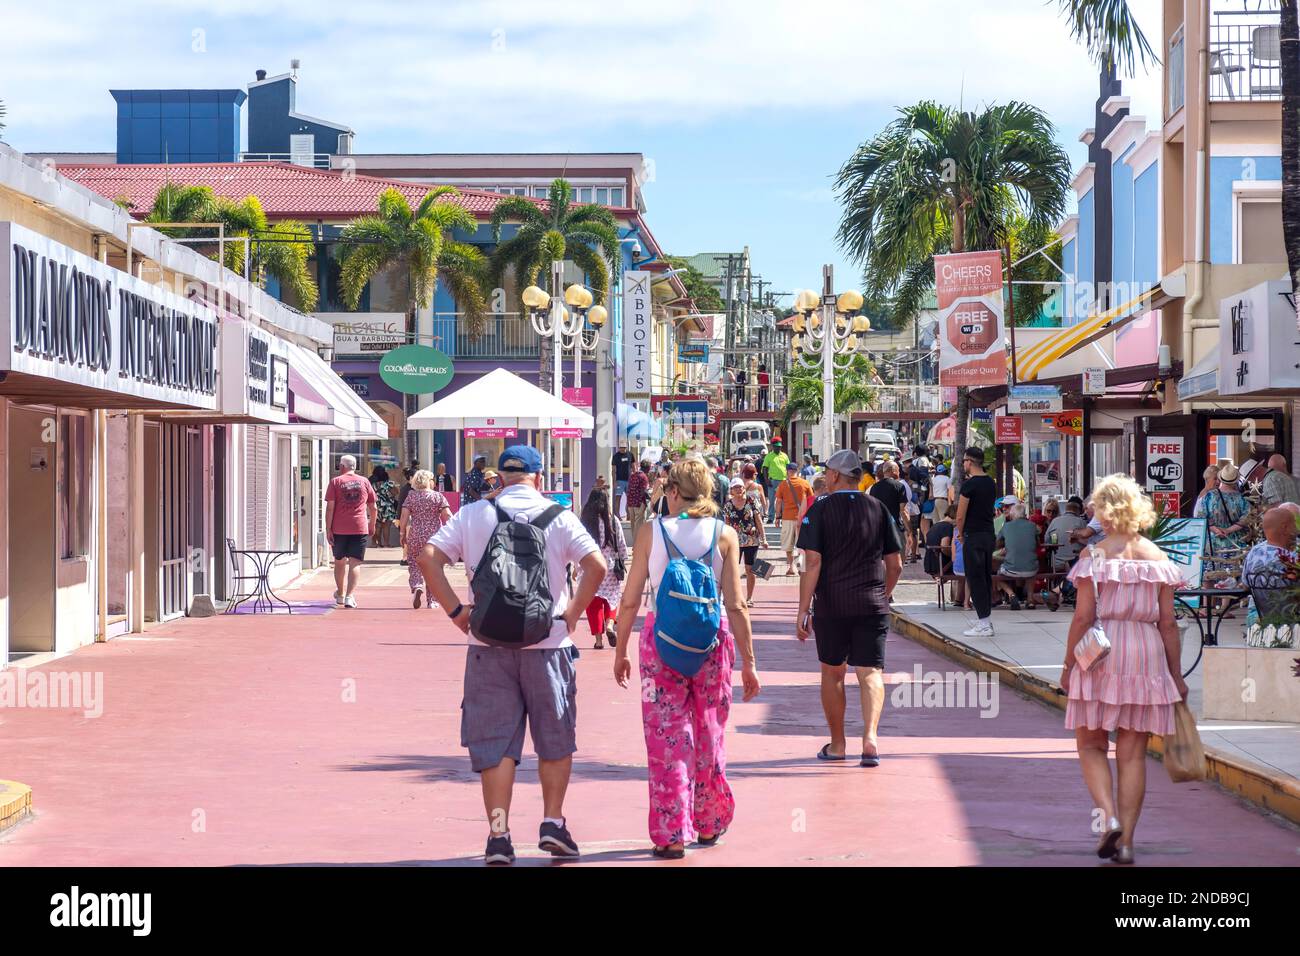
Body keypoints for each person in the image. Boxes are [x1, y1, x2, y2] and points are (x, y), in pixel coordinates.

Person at [419, 445, 607, 865]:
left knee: (496, 744)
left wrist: (456, 612)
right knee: (555, 739)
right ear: (539, 478)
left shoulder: (472, 514)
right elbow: (596, 565)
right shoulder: (559, 516)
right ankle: (553, 824)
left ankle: (499, 835)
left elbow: (428, 557)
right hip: (549, 645)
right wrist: (572, 614)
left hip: (487, 645)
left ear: (499, 476)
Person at [613, 458, 760, 858]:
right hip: (711, 645)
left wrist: (620, 649)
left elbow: (629, 600)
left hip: (660, 645)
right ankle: (709, 823)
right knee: (710, 731)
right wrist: (748, 660)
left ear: (674, 491)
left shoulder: (651, 532)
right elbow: (737, 604)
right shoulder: (724, 535)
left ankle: (671, 832)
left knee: (666, 737)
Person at [1060, 474, 1187, 865]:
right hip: (1146, 652)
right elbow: (1168, 623)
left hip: (1100, 650)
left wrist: (1068, 666)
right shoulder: (1157, 557)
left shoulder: (1093, 557)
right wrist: (1176, 674)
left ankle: (1108, 817)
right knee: (1132, 753)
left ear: (1102, 509)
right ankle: (1128, 842)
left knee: (1092, 744)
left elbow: (1083, 618)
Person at [796, 449, 903, 767]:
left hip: (832, 604)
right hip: (872, 604)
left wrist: (803, 609)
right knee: (870, 673)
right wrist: (882, 595)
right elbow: (895, 565)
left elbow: (812, 562)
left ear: (833, 476)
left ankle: (839, 743)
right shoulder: (878, 508)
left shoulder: (820, 509)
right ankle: (870, 738)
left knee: (833, 673)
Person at [954, 446, 997, 637]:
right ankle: (984, 617)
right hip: (988, 534)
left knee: (974, 577)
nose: (963, 464)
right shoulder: (990, 483)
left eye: (964, 461)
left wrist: (960, 534)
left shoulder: (969, 486)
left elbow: (960, 516)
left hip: (973, 536)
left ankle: (984, 624)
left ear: (969, 462)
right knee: (985, 577)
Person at [325, 455, 377, 609]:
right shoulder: (365, 482)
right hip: (359, 527)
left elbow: (330, 508)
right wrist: (372, 524)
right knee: (355, 562)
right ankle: (349, 596)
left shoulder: (336, 482)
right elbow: (373, 507)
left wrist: (328, 529)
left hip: (339, 528)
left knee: (339, 562)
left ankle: (340, 594)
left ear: (341, 466)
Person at [580, 488, 627, 650]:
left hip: (590, 568)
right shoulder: (612, 521)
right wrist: (623, 560)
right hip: (610, 568)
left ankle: (598, 640)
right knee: (611, 599)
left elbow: (577, 546)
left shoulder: (585, 522)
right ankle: (609, 626)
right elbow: (621, 545)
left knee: (593, 604)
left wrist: (574, 565)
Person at [399, 469, 452, 609]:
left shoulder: (411, 496)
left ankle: (417, 585)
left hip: (416, 534)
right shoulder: (437, 496)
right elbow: (447, 515)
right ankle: (432, 601)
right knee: (433, 566)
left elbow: (404, 516)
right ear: (429, 481)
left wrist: (402, 533)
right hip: (434, 537)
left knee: (414, 562)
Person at [1242, 506, 1299, 625]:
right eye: (1294, 524)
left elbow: (1245, 586)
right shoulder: (1292, 559)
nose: (1297, 529)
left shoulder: (1253, 553)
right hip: (1293, 621)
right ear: (1285, 528)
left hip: (1261, 622)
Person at [723, 477, 765, 606]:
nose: (739, 489)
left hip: (752, 539)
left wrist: (764, 538)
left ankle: (749, 598)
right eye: (735, 487)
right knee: (732, 569)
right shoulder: (728, 505)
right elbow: (727, 523)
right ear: (731, 490)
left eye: (740, 487)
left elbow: (758, 520)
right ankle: (733, 596)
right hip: (735, 541)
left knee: (750, 568)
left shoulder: (751, 501)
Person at [1193, 462, 1249, 555]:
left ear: (1221, 479)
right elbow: (1246, 519)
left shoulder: (1208, 497)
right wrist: (1228, 530)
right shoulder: (1241, 499)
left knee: (1213, 568)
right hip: (1235, 544)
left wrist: (1216, 530)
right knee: (1234, 569)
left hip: (1212, 544)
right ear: (1235, 480)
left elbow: (1201, 518)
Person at [996, 504, 1042, 609]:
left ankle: (1011, 594)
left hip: (1010, 569)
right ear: (1024, 514)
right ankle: (1030, 600)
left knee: (997, 575)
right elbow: (1038, 543)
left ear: (1012, 514)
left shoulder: (1006, 526)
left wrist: (1007, 545)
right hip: (1031, 569)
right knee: (1031, 567)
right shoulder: (1032, 525)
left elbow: (997, 543)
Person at [775, 460, 814, 576]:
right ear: (797, 471)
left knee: (788, 544)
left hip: (787, 517)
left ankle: (791, 568)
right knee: (802, 543)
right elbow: (811, 500)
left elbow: (778, 502)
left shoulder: (783, 484)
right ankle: (801, 567)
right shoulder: (805, 483)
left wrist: (777, 517)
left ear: (787, 472)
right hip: (802, 518)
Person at [869, 460, 908, 543]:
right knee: (899, 554)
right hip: (895, 528)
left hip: (878, 527)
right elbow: (903, 511)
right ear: (893, 471)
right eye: (898, 470)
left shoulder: (874, 487)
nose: (899, 473)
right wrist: (909, 531)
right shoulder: (899, 486)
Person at [1046, 498, 1088, 571]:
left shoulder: (1055, 521)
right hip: (1076, 563)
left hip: (1056, 563)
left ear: (1066, 509)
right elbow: (1088, 541)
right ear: (1078, 511)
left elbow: (1046, 539)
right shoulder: (1082, 522)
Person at [761, 439, 790, 523]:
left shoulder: (784, 456)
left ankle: (784, 517)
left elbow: (788, 467)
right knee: (772, 499)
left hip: (783, 481)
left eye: (780, 447)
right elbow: (765, 468)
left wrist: (788, 478)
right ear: (773, 447)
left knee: (784, 500)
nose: (779, 448)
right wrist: (766, 480)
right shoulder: (768, 456)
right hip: (772, 481)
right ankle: (771, 517)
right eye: (777, 447)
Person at [370, 466, 399, 548]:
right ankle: (386, 543)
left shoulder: (373, 485)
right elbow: (396, 492)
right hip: (388, 507)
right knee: (386, 526)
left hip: (377, 506)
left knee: (377, 525)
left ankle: (374, 542)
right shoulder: (389, 483)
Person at [626, 459, 652, 547]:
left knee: (633, 525)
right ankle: (638, 545)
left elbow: (629, 489)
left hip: (630, 503)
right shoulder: (644, 477)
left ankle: (635, 545)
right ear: (647, 468)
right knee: (639, 525)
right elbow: (644, 492)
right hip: (639, 503)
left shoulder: (633, 475)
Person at [923, 514, 955, 578]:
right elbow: (944, 547)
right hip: (940, 564)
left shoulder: (935, 526)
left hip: (930, 563)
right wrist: (954, 556)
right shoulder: (947, 526)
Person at [612, 444, 635, 516]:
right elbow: (613, 470)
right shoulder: (616, 456)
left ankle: (629, 514)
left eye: (624, 447)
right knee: (618, 497)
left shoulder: (630, 454)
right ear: (619, 448)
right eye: (621, 447)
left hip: (629, 480)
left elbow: (633, 467)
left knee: (630, 498)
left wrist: (634, 478)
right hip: (619, 480)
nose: (623, 449)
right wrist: (614, 481)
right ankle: (617, 515)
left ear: (626, 447)